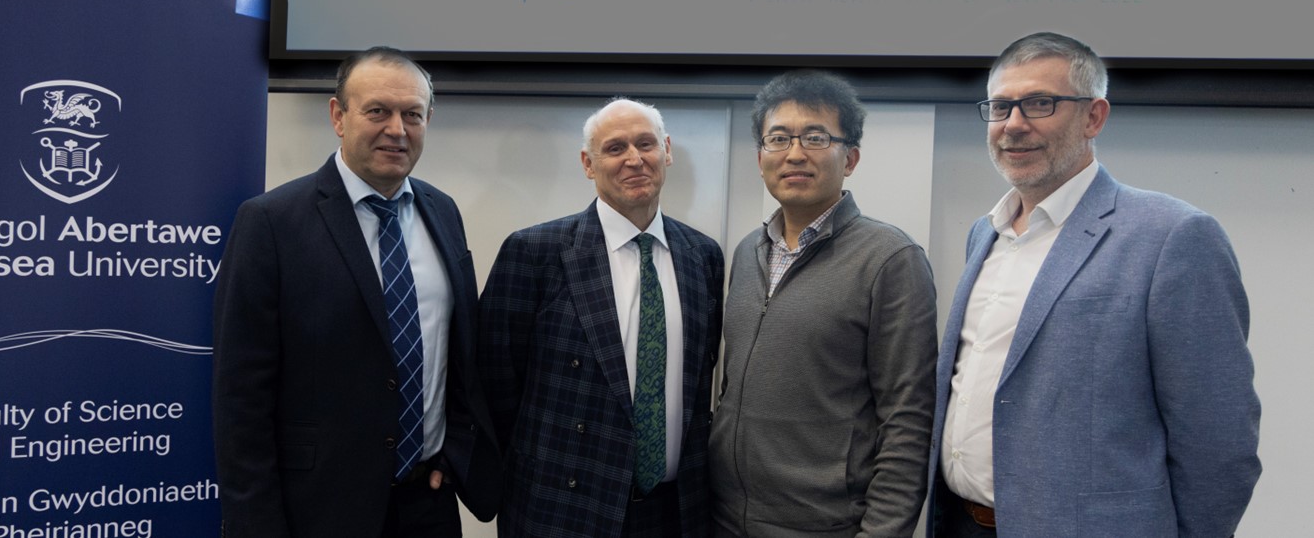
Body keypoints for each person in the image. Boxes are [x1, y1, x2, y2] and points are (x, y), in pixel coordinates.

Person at [929, 32, 1261, 537]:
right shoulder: (985, 232)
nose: (1013, 125)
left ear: (1094, 117)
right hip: (960, 523)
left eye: (1039, 103)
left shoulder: (1173, 236)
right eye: (1000, 107)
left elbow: (1218, 440)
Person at [211, 47, 500, 538]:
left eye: (412, 114)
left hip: (426, 502)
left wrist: (455, 454)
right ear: (338, 116)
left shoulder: (443, 212)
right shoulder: (270, 222)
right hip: (317, 510)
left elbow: (458, 354)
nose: (397, 129)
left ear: (429, 119)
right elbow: (240, 397)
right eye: (377, 111)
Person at [479, 98, 724, 537]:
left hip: (677, 512)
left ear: (666, 150)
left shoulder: (703, 256)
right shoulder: (534, 252)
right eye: (615, 148)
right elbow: (496, 383)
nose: (634, 159)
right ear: (588, 164)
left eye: (645, 144)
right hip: (564, 509)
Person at [709, 70, 938, 537]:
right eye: (779, 138)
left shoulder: (891, 258)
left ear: (849, 157)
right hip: (726, 520)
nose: (795, 153)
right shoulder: (747, 250)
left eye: (815, 137)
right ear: (760, 157)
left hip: (828, 526)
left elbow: (908, 420)